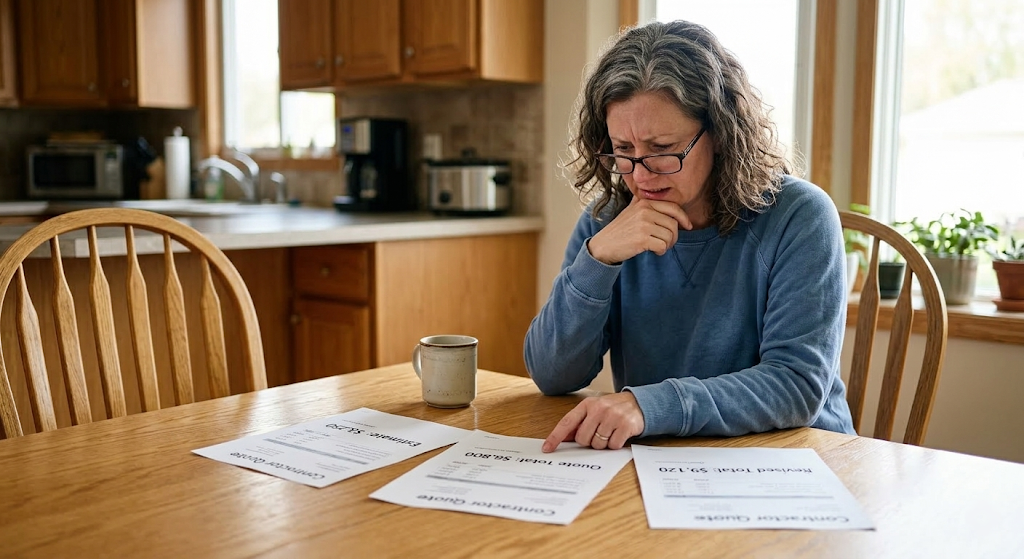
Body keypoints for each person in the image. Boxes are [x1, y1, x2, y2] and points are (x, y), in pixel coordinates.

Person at [525, 20, 856, 453]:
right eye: (623, 150)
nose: (640, 175)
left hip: (801, 459)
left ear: (719, 134)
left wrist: (649, 407)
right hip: (667, 460)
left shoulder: (800, 216)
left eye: (662, 149)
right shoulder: (609, 221)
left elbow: (796, 385)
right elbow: (553, 375)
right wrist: (598, 259)